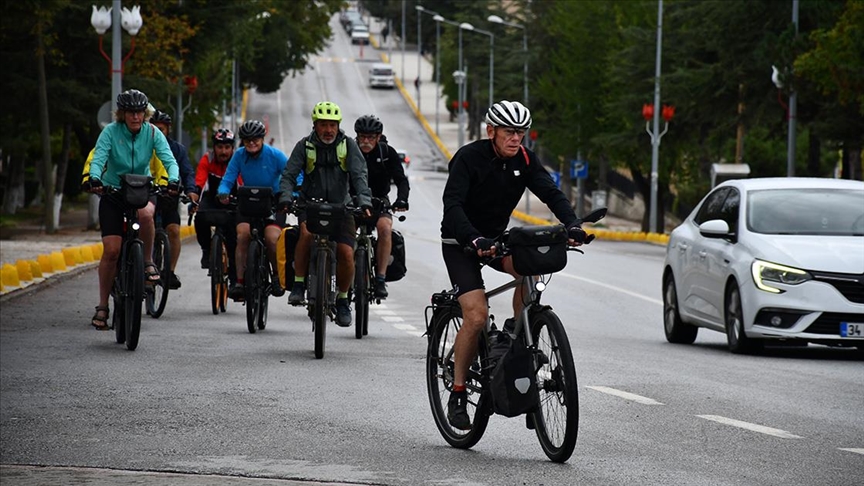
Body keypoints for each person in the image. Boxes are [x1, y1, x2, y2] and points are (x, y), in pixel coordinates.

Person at [440, 100, 588, 430]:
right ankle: (459, 393)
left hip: (495, 240)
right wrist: (473, 240)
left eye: (521, 132)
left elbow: (551, 193)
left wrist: (573, 224)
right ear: (491, 131)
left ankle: (516, 331)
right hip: (460, 242)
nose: (516, 138)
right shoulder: (468, 158)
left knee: (530, 268)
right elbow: (452, 206)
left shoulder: (524, 160)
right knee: (476, 315)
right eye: (509, 132)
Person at [87, 89, 179, 330]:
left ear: (145, 114)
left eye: (139, 112)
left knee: (147, 214)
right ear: (122, 114)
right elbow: (98, 158)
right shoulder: (110, 132)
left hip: (140, 189)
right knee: (112, 251)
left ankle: (147, 262)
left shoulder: (153, 132)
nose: (135, 117)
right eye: (131, 112)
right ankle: (103, 305)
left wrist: (173, 180)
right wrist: (95, 178)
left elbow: (168, 160)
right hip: (113, 192)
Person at [278, 101, 372, 328]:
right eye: (323, 125)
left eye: (332, 125)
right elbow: (289, 175)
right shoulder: (305, 146)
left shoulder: (348, 146)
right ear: (315, 125)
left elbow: (359, 176)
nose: (328, 130)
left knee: (346, 253)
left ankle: (341, 300)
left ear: (338, 125)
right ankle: (299, 284)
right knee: (306, 235)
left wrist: (364, 201)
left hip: (342, 207)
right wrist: (285, 197)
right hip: (310, 205)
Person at [217, 120, 288, 300]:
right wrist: (223, 192)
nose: (251, 143)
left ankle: (277, 277)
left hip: (273, 201)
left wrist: (294, 192)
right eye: (247, 140)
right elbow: (228, 178)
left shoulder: (275, 155)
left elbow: (293, 174)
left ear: (262, 139)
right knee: (242, 235)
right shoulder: (239, 156)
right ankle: (240, 281)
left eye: (255, 139)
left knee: (272, 238)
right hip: (248, 201)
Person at [352, 114, 409, 298]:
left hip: (379, 201)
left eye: (371, 137)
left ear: (378, 137)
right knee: (343, 232)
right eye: (362, 136)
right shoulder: (349, 151)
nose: (366, 141)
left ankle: (380, 279)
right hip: (352, 201)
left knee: (385, 229)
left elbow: (401, 180)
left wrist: (402, 200)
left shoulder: (387, 153)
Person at [150, 109, 199, 289]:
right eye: (152, 128)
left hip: (168, 197)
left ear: (168, 129)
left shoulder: (177, 149)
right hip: (144, 197)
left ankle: (169, 272)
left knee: (174, 230)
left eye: (161, 129)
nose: (156, 133)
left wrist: (191, 191)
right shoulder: (140, 146)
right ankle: (142, 264)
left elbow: (187, 172)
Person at [194, 128, 239, 287]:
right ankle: (206, 251)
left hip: (233, 200)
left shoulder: (237, 160)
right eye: (220, 147)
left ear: (232, 148)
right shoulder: (208, 159)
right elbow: (199, 182)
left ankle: (234, 280)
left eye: (227, 147)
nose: (223, 151)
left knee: (234, 240)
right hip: (212, 198)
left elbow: (242, 183)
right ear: (214, 147)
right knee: (199, 217)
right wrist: (194, 198)